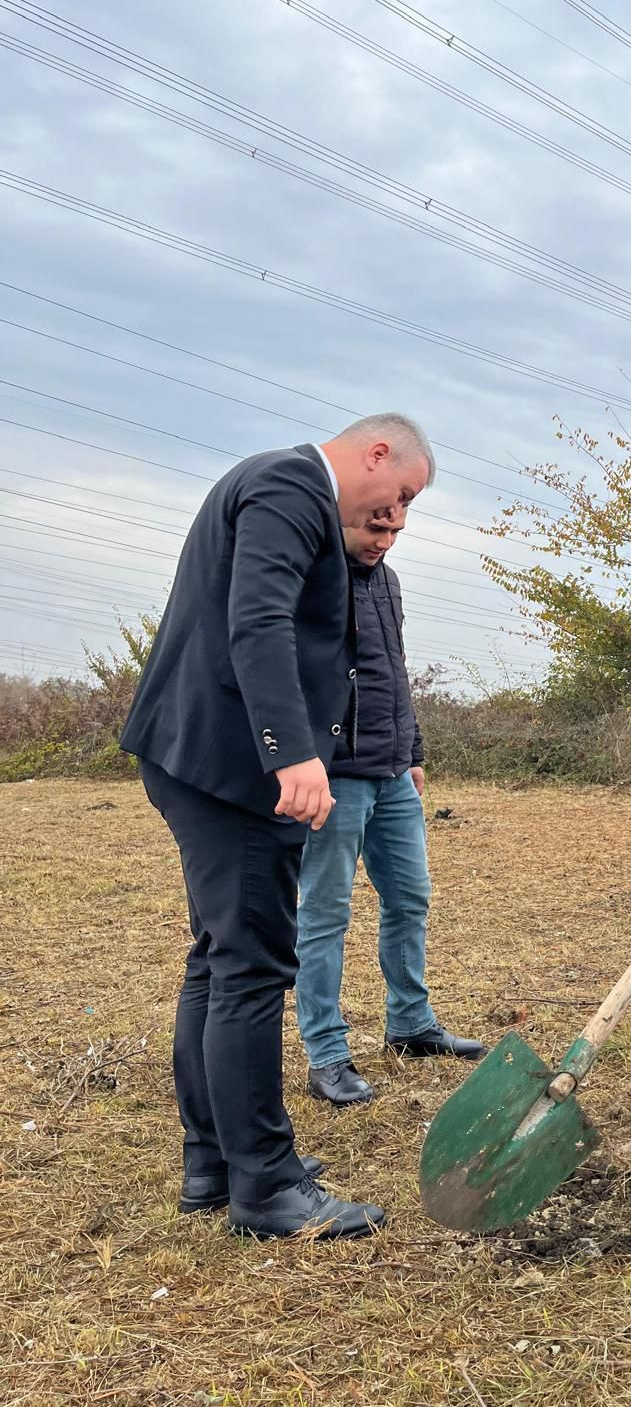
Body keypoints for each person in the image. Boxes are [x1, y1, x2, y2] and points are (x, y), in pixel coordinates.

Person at [121, 417, 433, 1239]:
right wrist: (291, 754)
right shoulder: (293, 487)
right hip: (232, 767)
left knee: (220, 961)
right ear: (375, 454)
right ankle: (266, 1186)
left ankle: (215, 1163)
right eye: (400, 493)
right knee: (254, 968)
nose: (398, 513)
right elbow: (255, 621)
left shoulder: (275, 486)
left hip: (200, 755)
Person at [296, 509, 484, 1106]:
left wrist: (414, 749)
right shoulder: (310, 576)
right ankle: (326, 1054)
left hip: (394, 772)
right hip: (334, 776)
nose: (385, 542)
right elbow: (288, 675)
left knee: (410, 897)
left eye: (395, 533)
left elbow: (391, 671)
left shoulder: (388, 580)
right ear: (340, 519)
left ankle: (409, 1024)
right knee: (325, 913)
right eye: (375, 531)